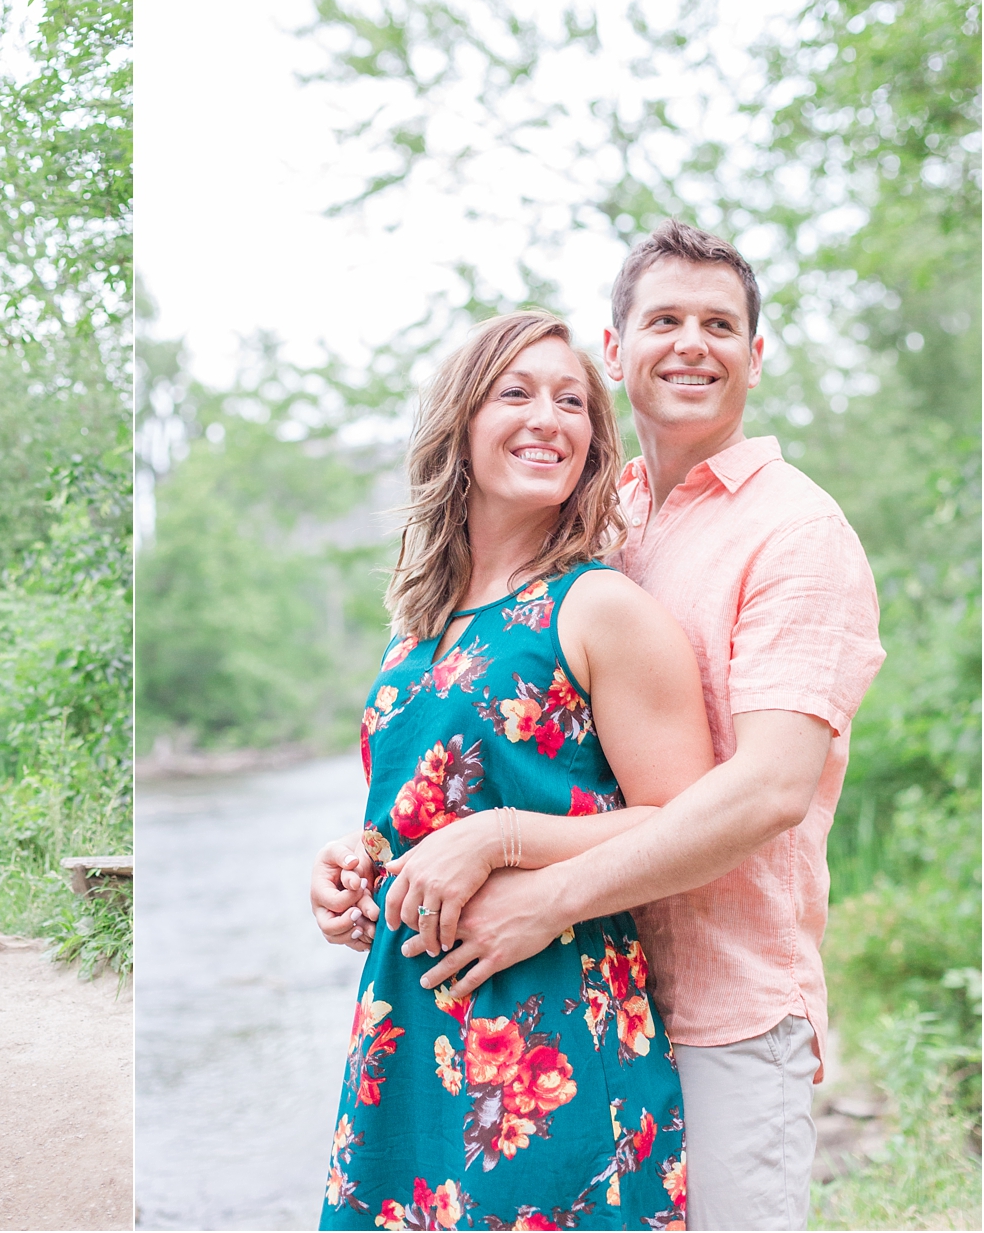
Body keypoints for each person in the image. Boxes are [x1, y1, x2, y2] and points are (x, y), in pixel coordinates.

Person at [315, 220, 885, 1230]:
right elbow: (500, 760)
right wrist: (375, 866)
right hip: (499, 988)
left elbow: (762, 791)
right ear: (617, 349)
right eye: (662, 319)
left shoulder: (792, 533)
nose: (690, 344)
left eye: (718, 324)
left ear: (754, 357)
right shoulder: (601, 518)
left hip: (715, 1004)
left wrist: (515, 868)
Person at [317, 309, 715, 1229]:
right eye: (518, 392)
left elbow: (691, 817)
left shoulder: (598, 606)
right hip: (410, 1029)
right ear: (458, 422)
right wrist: (356, 862)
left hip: (550, 1029)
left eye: (573, 401)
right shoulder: (417, 621)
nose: (551, 417)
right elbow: (423, 804)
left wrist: (498, 840)